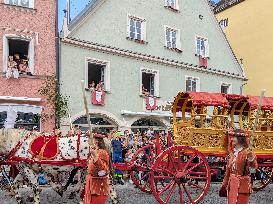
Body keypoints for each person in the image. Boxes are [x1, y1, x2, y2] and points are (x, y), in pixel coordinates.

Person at [219, 129, 257, 204]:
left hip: (242, 186)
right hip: (232, 185)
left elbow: (253, 168)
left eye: (234, 137)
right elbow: (228, 172)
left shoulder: (247, 152)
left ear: (240, 139)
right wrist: (224, 185)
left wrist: (251, 159)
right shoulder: (232, 154)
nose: (231, 139)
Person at [83, 133, 110, 204]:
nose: (88, 140)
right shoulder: (93, 151)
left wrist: (95, 156)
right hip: (90, 183)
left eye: (89, 138)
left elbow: (104, 171)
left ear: (96, 141)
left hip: (98, 185)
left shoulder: (102, 152)